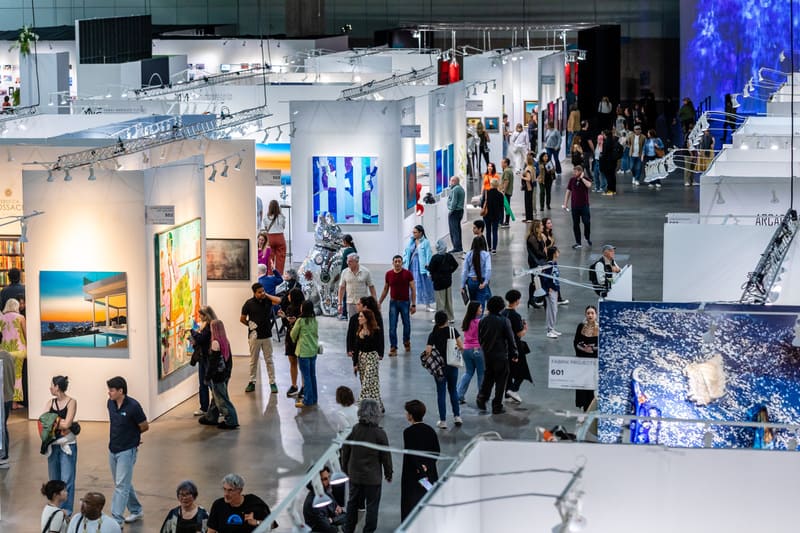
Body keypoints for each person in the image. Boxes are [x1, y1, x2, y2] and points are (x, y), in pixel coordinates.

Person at [341, 399, 392, 533]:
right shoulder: (380, 434)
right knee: (372, 507)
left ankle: (348, 529)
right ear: (376, 413)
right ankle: (368, 531)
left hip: (355, 475)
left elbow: (345, 451)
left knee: (352, 503)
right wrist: (388, 473)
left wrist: (345, 469)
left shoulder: (354, 430)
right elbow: (386, 456)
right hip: (373, 478)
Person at [106, 376, 148, 527]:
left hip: (127, 450)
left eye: (111, 390)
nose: (109, 393)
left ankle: (116, 519)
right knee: (123, 482)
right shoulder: (110, 404)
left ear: (120, 391)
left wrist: (134, 438)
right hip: (113, 449)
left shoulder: (133, 406)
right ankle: (136, 509)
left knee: (121, 485)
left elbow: (144, 425)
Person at [476, 296, 518, 415]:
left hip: (487, 355)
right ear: (501, 307)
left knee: (488, 377)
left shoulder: (483, 320)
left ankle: (482, 398)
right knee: (500, 381)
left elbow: (480, 337)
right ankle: (497, 405)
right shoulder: (504, 321)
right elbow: (511, 339)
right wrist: (514, 352)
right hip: (501, 356)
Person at [400, 400, 440, 521]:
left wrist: (419, 468)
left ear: (411, 415)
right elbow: (436, 451)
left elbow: (411, 454)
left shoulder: (408, 433)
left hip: (413, 475)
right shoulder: (430, 430)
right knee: (426, 499)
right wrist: (426, 466)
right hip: (428, 474)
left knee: (411, 503)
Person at [423, 311, 464, 429]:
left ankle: (443, 421)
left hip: (439, 368)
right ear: (446, 320)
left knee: (441, 393)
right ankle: (457, 416)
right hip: (452, 365)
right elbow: (461, 346)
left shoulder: (433, 334)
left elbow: (428, 352)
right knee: (453, 391)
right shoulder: (452, 331)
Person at [44, 375, 78, 514]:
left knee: (67, 479)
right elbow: (44, 422)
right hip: (53, 444)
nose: (50, 388)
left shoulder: (71, 402)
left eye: (52, 385)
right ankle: (55, 508)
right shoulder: (50, 402)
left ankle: (66, 510)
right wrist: (61, 422)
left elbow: (68, 423)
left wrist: (54, 421)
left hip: (67, 445)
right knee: (54, 480)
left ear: (57, 387)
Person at [240, 282, 281, 394]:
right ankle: (252, 382)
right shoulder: (248, 304)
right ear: (254, 293)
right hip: (254, 336)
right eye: (259, 292)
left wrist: (266, 294)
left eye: (263, 291)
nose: (262, 293)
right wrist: (250, 324)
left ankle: (272, 382)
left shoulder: (268, 300)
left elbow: (278, 301)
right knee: (253, 360)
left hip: (267, 335)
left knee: (269, 360)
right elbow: (242, 318)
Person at [200, 319, 239, 429]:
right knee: (216, 397)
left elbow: (213, 364)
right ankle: (211, 417)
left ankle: (231, 420)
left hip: (218, 376)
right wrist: (228, 374)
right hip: (224, 375)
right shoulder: (225, 341)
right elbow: (229, 361)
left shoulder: (215, 343)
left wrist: (207, 377)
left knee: (222, 400)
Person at [207, 473, 277, 532]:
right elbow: (211, 531)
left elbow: (272, 525)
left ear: (240, 490)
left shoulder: (254, 503)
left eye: (230, 490)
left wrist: (256, 522)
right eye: (224, 489)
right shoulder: (218, 505)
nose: (226, 494)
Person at [379, 255, 416, 356]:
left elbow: (413, 289)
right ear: (393, 263)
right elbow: (386, 289)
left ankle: (406, 340)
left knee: (406, 324)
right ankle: (393, 347)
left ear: (402, 263)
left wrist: (413, 305)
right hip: (393, 303)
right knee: (392, 326)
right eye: (395, 261)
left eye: (399, 261)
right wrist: (379, 302)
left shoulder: (408, 274)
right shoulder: (389, 274)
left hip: (405, 303)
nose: (397, 263)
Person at [501, 290, 532, 403]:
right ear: (517, 300)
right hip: (516, 347)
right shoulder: (516, 316)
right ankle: (513, 389)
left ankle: (507, 393)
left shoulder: (503, 313)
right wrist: (525, 329)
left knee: (508, 371)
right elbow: (519, 334)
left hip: (505, 347)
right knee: (523, 371)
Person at [352, 309, 384, 411]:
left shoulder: (376, 331)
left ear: (367, 319)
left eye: (361, 316)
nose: (359, 318)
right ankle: (379, 406)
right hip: (362, 358)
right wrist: (355, 363)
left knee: (367, 382)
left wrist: (364, 338)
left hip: (372, 357)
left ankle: (360, 405)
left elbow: (374, 346)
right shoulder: (359, 331)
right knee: (372, 384)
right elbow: (356, 348)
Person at [188, 306, 216, 417]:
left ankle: (217, 407)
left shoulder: (210, 326)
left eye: (201, 315)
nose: (199, 316)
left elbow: (202, 339)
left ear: (206, 315)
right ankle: (204, 408)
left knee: (210, 384)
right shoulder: (205, 325)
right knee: (203, 384)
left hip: (208, 358)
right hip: (202, 358)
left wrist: (192, 332)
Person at [290, 301, 319, 408]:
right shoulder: (314, 320)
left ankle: (307, 400)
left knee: (306, 377)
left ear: (303, 308)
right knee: (312, 376)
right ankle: (314, 398)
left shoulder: (300, 321)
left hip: (303, 352)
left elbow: (293, 334)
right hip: (313, 351)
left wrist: (292, 325)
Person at [277, 288, 305, 397]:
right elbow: (287, 324)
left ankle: (303, 386)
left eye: (289, 295)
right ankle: (294, 385)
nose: (288, 297)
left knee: (301, 363)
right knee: (293, 362)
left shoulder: (303, 308)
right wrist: (284, 317)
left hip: (300, 338)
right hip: (290, 338)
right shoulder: (289, 307)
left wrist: (293, 320)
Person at [456, 302, 484, 404]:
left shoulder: (466, 321)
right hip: (478, 350)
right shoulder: (480, 322)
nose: (481, 309)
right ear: (475, 310)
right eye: (480, 308)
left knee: (468, 372)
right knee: (481, 374)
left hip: (466, 349)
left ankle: (459, 395)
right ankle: (482, 396)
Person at [303, 467, 345, 532]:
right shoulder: (315, 503)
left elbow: (345, 516)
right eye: (325, 479)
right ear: (315, 482)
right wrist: (336, 517)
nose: (329, 481)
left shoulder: (326, 493)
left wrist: (332, 520)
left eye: (329, 477)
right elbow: (329, 529)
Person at [403, 225, 435, 311]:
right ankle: (409, 304)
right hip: (412, 266)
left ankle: (427, 305)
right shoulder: (411, 241)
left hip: (421, 267)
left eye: (415, 232)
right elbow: (406, 253)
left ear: (420, 233)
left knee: (424, 285)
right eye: (413, 232)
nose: (413, 234)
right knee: (410, 286)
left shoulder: (426, 242)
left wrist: (429, 271)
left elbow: (428, 256)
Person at [1, 297, 26, 407]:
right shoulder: (21, 317)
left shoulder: (1, 318)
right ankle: (14, 403)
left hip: (4, 350)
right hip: (19, 350)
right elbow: (26, 334)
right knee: (17, 376)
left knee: (5, 375)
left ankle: (5, 401)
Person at [574, 306, 599, 411]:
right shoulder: (581, 326)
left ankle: (591, 407)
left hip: (593, 360)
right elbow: (576, 341)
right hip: (582, 359)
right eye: (588, 313)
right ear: (585, 314)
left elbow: (602, 344)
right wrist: (583, 349)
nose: (590, 315)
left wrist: (592, 348)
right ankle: (583, 407)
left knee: (592, 385)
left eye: (592, 313)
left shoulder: (599, 328)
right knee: (582, 384)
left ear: (596, 315)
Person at [337, 253, 377, 320]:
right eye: (347, 261)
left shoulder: (366, 272)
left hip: (363, 304)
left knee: (363, 323)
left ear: (357, 261)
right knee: (352, 323)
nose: (348, 263)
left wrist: (375, 302)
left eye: (350, 261)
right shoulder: (345, 272)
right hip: (350, 303)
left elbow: (371, 287)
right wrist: (339, 304)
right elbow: (341, 288)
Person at [427, 241, 459, 322]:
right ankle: (450, 317)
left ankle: (440, 319)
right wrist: (449, 272)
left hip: (438, 283)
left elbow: (431, 269)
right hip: (448, 281)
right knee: (448, 301)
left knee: (440, 302)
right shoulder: (449, 256)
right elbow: (455, 265)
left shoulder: (435, 258)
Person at [563, 165, 592, 249]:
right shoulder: (572, 180)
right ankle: (578, 242)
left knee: (586, 222)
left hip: (584, 205)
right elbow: (568, 191)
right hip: (574, 206)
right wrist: (565, 203)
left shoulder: (586, 179)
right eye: (574, 171)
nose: (574, 173)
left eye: (575, 171)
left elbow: (589, 185)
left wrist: (582, 179)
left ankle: (587, 237)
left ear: (580, 172)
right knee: (576, 224)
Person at [460, 236, 492, 310]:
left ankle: (473, 320)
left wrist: (462, 285)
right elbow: (488, 269)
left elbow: (465, 271)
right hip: (481, 281)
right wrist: (485, 282)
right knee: (481, 305)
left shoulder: (468, 254)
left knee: (473, 303)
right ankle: (479, 320)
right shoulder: (486, 255)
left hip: (471, 281)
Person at [541, 247, 562, 338]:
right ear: (554, 253)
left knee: (554, 309)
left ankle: (552, 328)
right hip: (551, 290)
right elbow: (545, 277)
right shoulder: (549, 265)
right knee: (551, 310)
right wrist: (548, 287)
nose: (559, 253)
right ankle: (549, 330)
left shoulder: (554, 263)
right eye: (557, 251)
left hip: (555, 289)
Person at [526, 221, 547, 308]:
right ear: (537, 228)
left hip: (539, 261)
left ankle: (537, 298)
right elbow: (537, 252)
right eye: (541, 225)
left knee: (538, 280)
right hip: (535, 262)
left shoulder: (539, 236)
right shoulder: (532, 238)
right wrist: (546, 255)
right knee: (535, 281)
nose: (543, 226)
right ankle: (532, 299)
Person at [481, 178, 504, 253]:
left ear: (491, 184)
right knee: (495, 231)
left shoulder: (486, 193)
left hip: (487, 215)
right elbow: (501, 207)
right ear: (497, 185)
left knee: (488, 231)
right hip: (496, 215)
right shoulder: (500, 195)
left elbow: (482, 204)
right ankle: (494, 249)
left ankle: (489, 247)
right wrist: (501, 217)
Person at [264, 200, 287, 273]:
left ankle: (270, 274)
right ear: (278, 207)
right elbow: (283, 227)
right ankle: (279, 275)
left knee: (270, 257)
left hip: (270, 238)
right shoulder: (282, 217)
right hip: (280, 237)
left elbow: (266, 228)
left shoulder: (266, 217)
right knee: (281, 258)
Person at [338, 235, 357, 320]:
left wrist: (341, 274)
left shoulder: (347, 251)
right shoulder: (353, 250)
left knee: (344, 295)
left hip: (347, 275)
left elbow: (343, 265)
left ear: (345, 242)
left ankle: (344, 314)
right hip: (351, 274)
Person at [0, 338, 12, 469]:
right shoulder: (8, 356)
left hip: (2, 398)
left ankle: (3, 456)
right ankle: (3, 456)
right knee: (2, 426)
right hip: (7, 397)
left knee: (1, 427)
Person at [447, 176, 465, 253]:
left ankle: (456, 247)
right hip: (460, 211)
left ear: (454, 181)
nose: (450, 182)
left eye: (451, 180)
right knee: (457, 229)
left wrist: (451, 210)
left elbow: (453, 202)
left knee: (454, 231)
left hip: (455, 212)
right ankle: (459, 247)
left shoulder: (455, 189)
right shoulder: (460, 188)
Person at [600, 129, 619, 195]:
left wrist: (601, 158)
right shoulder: (614, 141)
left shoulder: (606, 142)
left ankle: (609, 190)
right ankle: (613, 190)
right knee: (612, 176)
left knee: (608, 177)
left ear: (605, 135)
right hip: (614, 161)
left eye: (603, 135)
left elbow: (604, 154)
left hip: (607, 162)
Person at [520, 152, 537, 222]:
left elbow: (528, 179)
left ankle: (528, 218)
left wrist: (522, 177)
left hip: (528, 187)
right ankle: (530, 217)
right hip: (531, 187)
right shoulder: (532, 168)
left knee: (527, 202)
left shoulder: (528, 169)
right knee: (529, 202)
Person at [499, 158, 515, 227]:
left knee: (505, 207)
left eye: (502, 163)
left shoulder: (506, 171)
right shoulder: (509, 170)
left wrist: (503, 191)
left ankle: (505, 222)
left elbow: (506, 181)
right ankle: (506, 221)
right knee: (507, 207)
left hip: (506, 192)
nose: (501, 164)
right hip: (508, 191)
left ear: (506, 163)